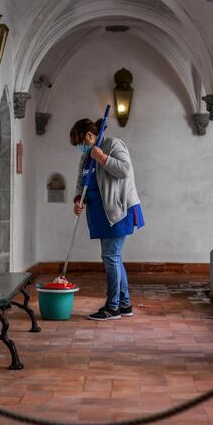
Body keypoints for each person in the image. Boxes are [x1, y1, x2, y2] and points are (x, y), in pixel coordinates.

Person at [70, 117, 144, 321]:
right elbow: (81, 182)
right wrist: (79, 200)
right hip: (100, 214)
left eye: (80, 143)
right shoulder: (86, 157)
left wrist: (102, 157)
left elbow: (124, 170)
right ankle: (124, 304)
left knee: (110, 258)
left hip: (118, 210)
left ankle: (113, 307)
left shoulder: (113, 144)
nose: (80, 149)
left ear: (89, 136)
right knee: (114, 258)